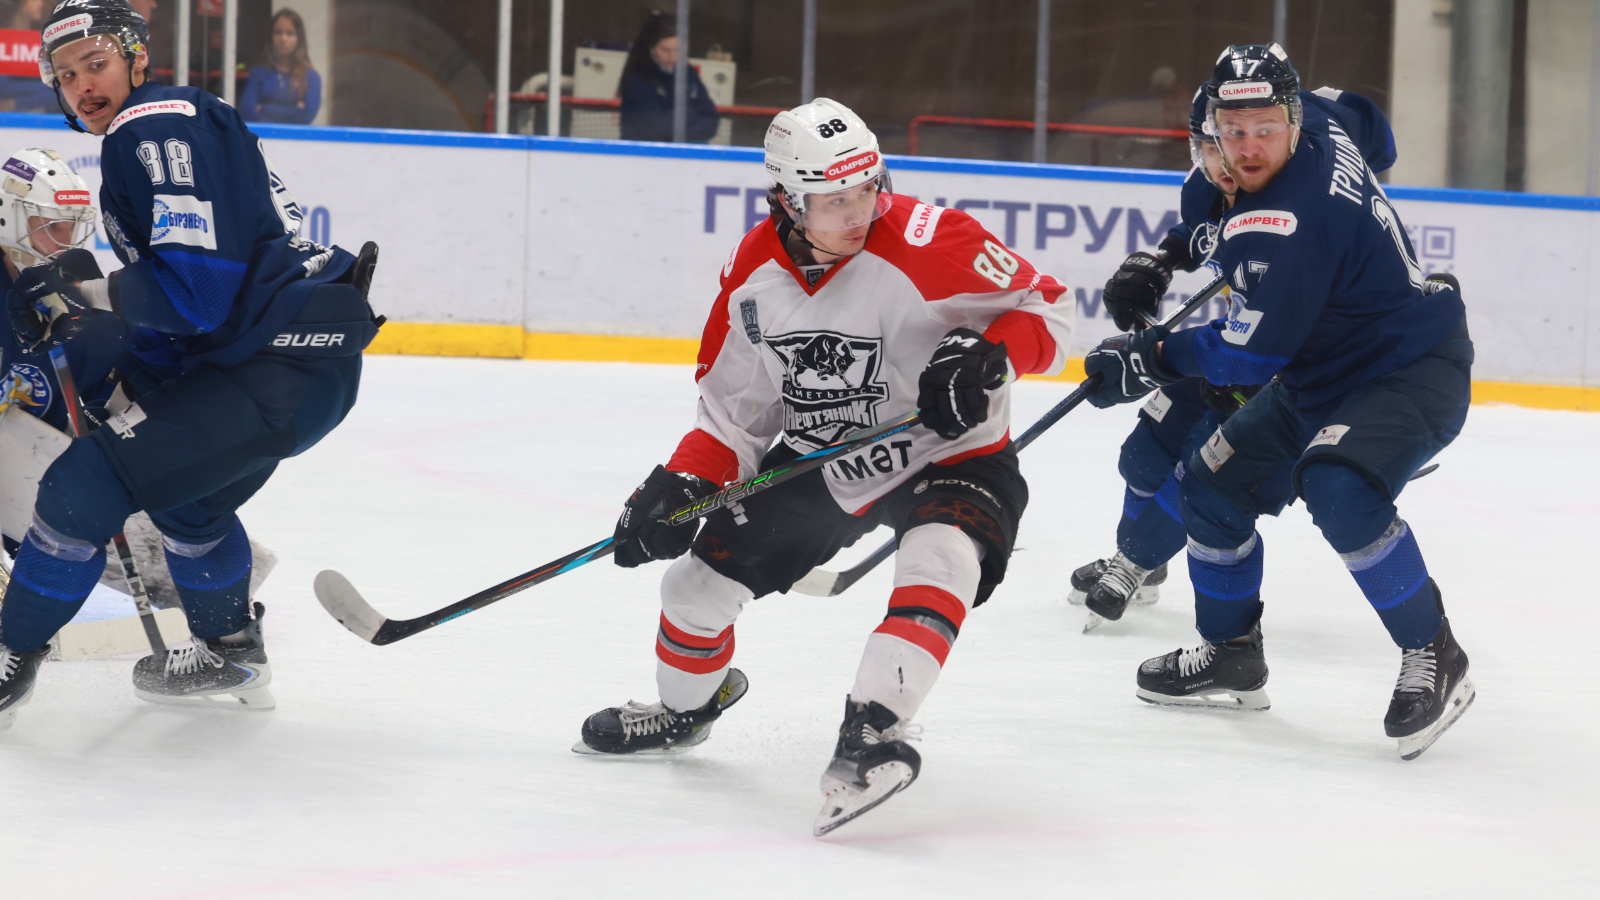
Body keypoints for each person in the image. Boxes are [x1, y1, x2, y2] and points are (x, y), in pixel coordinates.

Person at [575, 98, 1073, 835]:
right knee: (692, 591)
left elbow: (1049, 310)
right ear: (785, 199)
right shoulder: (753, 276)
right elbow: (736, 413)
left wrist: (990, 354)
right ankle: (685, 711)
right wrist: (685, 481)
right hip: (830, 461)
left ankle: (873, 733)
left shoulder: (930, 239)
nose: (859, 212)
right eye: (834, 200)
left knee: (941, 558)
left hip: (952, 451)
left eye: (867, 189)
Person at [1083, 44, 1474, 760]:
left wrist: (1147, 359)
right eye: (1233, 132)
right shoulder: (1320, 115)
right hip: (1318, 375)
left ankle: (1433, 651)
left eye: (1264, 129)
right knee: (1210, 485)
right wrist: (1169, 255)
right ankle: (1231, 654)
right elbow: (1373, 129)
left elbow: (1244, 357)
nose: (1248, 147)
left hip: (1408, 368)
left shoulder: (1285, 223)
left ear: (1290, 120)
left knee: (1338, 487)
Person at [0, 0, 382, 728]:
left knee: (81, 488)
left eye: (96, 64)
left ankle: (7, 658)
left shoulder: (149, 127)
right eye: (66, 75)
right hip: (301, 370)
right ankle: (230, 652)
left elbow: (198, 295)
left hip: (266, 373)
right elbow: (197, 302)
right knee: (187, 504)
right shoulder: (187, 120)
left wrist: (83, 293)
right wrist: (131, 373)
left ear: (137, 58)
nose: (82, 86)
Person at [1070, 81, 1400, 629]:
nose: (1226, 162)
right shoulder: (1206, 184)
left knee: (1202, 465)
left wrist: (1359, 186)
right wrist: (1163, 261)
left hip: (1297, 360)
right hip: (1239, 342)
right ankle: (1141, 559)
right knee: (1145, 453)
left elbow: (1365, 128)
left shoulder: (1292, 198)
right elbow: (1201, 229)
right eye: (1211, 146)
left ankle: (1133, 563)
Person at [617, 12, 719, 143]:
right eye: (666, 50)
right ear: (652, 48)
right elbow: (654, 127)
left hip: (684, 153)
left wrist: (680, 128)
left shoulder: (688, 73)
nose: (673, 57)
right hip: (645, 153)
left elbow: (711, 120)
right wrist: (691, 114)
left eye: (679, 50)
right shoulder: (637, 77)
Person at [240, 8, 321, 125]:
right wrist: (295, 110)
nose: (283, 38)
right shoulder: (258, 74)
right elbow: (248, 113)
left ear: (299, 39)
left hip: (295, 137)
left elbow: (307, 115)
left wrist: (263, 109)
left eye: (290, 33)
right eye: (278, 32)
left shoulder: (311, 77)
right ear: (271, 36)